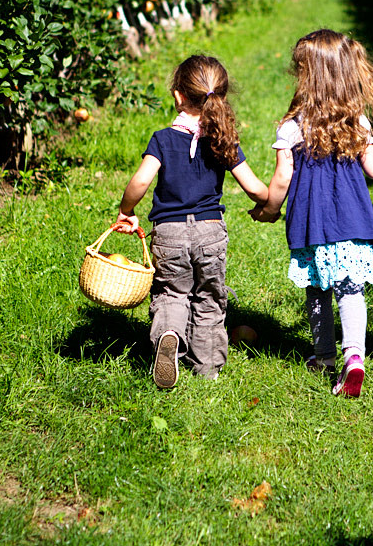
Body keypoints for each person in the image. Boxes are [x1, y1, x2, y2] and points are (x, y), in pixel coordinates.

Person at [250, 29, 373, 398]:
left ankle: (323, 357)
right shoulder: (357, 122)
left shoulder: (292, 127)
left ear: (308, 77)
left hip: (311, 224)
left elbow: (282, 178)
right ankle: (355, 357)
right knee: (351, 290)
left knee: (317, 290)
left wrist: (269, 209)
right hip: (352, 221)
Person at [115, 55, 268, 388]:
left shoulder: (163, 139)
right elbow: (254, 187)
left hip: (168, 233)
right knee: (209, 298)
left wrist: (127, 210)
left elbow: (140, 182)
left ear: (177, 97)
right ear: (221, 99)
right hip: (210, 232)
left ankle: (169, 335)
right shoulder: (224, 140)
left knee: (171, 292)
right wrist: (270, 202)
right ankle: (208, 368)